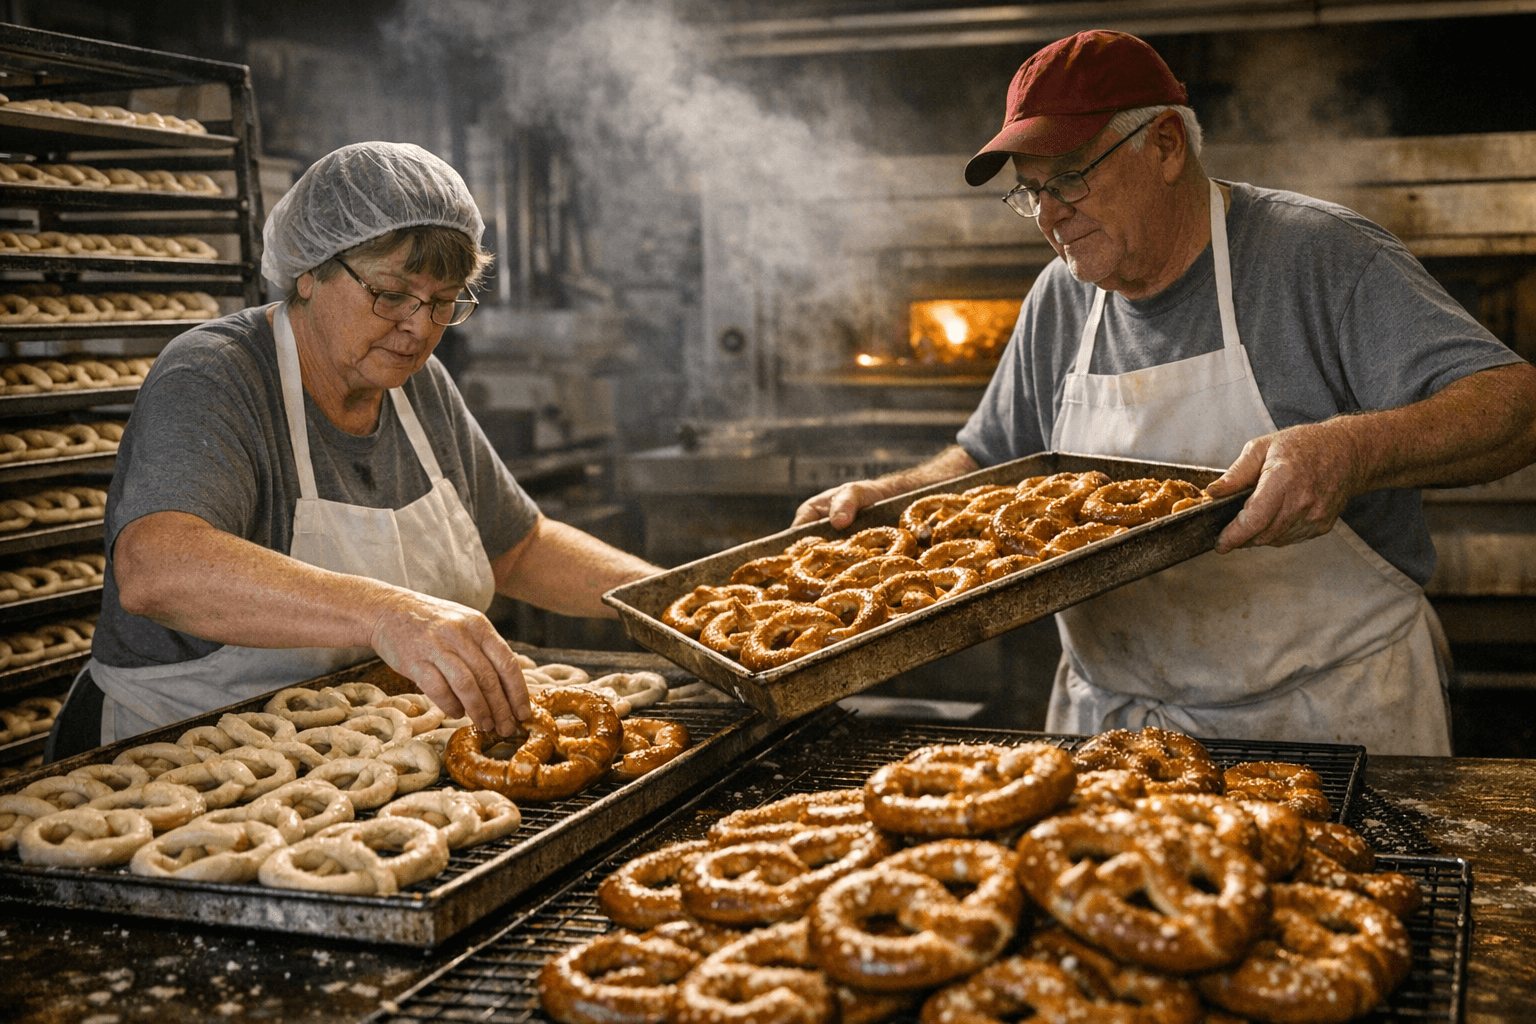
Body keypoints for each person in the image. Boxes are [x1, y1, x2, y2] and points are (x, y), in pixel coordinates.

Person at [794, 30, 1536, 756]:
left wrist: (1349, 448)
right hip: (1117, 730)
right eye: (1032, 191)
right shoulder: (1061, 297)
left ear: (1167, 145)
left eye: (1071, 178)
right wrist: (886, 499)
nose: (1049, 214)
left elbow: (1513, 405)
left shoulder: (1318, 256)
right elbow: (989, 459)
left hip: (1328, 716)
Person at [46, 141, 660, 758]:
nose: (419, 327)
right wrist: (388, 614)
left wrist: (668, 600)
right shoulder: (216, 373)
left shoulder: (416, 386)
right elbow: (159, 570)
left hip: (348, 753)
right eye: (392, 294)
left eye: (443, 302)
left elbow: (518, 547)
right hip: (178, 758)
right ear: (310, 271)